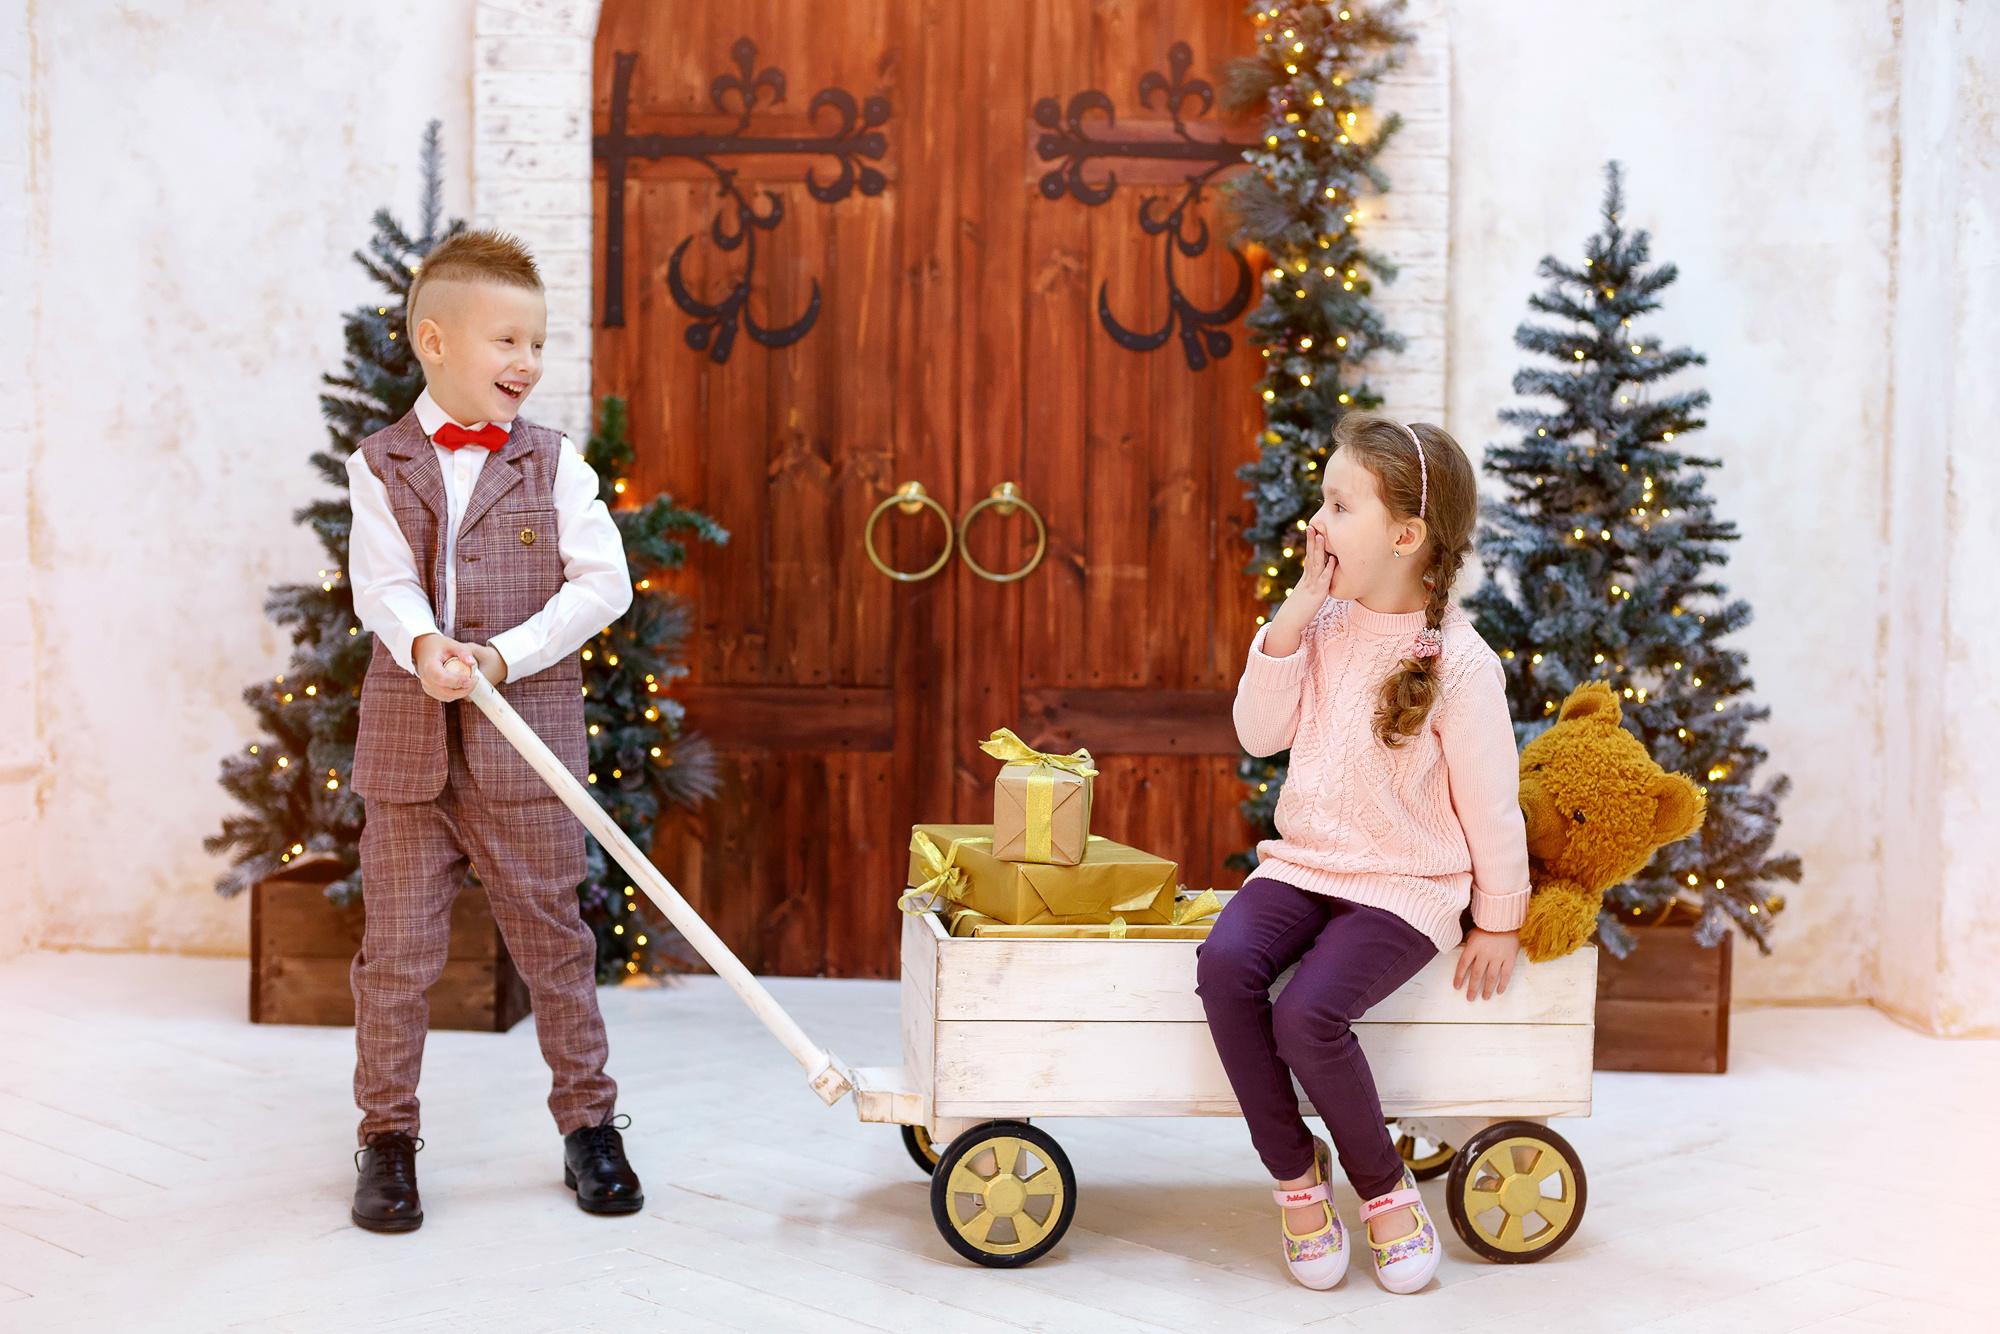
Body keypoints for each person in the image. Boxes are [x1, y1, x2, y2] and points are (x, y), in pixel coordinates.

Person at [342, 228, 639, 1233]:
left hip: (527, 745)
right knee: (397, 954)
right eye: (505, 339)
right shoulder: (378, 463)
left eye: (537, 343)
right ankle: (386, 1136)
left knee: (556, 942)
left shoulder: (555, 466)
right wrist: (423, 643)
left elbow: (605, 585)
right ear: (433, 340)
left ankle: (589, 1125)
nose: (527, 362)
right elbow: (380, 580)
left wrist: (504, 654)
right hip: (408, 752)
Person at [1198, 411, 1530, 1294]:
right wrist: (1295, 614)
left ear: (1406, 535)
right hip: (1308, 863)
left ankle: (1382, 1188)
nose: (1318, 523)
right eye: (1321, 500)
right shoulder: (1324, 626)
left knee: (1308, 1013)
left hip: (1403, 884)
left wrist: (1497, 920)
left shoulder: (1460, 664)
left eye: (1341, 506)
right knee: (1225, 964)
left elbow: (1492, 806)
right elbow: (1257, 732)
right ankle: (1294, 1173)